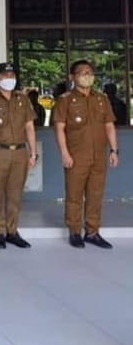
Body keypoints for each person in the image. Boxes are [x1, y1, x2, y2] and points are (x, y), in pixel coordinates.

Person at [53, 59, 119, 249]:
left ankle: (92, 232)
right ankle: (74, 231)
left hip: (99, 156)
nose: (87, 76)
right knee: (74, 195)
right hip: (76, 156)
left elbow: (109, 126)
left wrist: (114, 150)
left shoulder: (101, 99)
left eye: (89, 72)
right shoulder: (65, 100)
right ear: (72, 77)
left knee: (95, 195)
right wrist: (64, 153)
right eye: (82, 72)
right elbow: (59, 128)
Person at [0, 63, 38, 249]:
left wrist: (33, 153)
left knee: (15, 194)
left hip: (20, 151)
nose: (9, 78)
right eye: (5, 75)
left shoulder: (22, 99)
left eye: (12, 74)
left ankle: (12, 231)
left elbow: (29, 127)